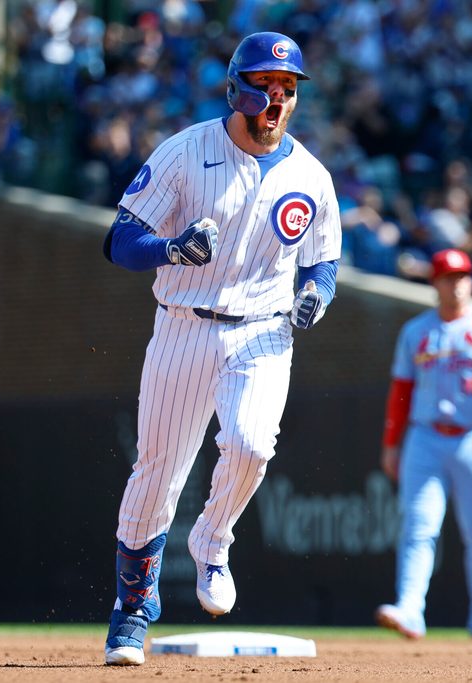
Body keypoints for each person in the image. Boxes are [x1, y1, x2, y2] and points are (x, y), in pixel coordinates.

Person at [99, 31, 342, 666]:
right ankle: (132, 613)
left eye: (286, 89)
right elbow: (120, 242)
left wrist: (316, 295)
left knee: (252, 444)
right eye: (264, 85)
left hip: (264, 327)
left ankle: (213, 539)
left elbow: (324, 263)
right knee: (158, 472)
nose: (276, 99)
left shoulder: (310, 175)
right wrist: (171, 248)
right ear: (235, 88)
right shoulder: (186, 152)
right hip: (184, 320)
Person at [376, 248, 472, 643]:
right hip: (424, 437)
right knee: (418, 526)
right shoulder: (416, 331)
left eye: (462, 277)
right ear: (435, 283)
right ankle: (410, 610)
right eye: (448, 277)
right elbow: (400, 392)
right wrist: (392, 444)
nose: (457, 284)